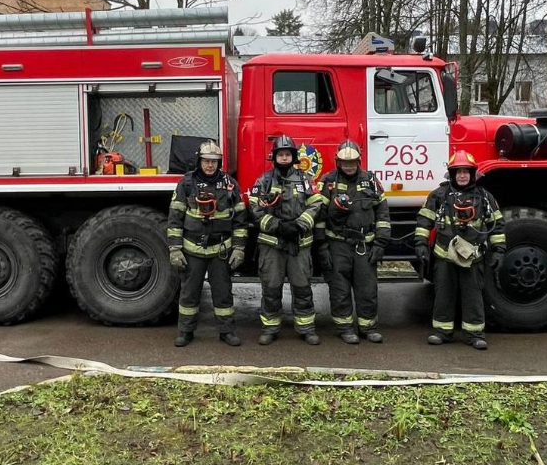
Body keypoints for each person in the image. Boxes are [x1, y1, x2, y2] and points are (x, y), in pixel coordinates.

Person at [414, 150, 506, 350]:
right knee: (444, 294)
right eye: (458, 171)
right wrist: (420, 243)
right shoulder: (439, 195)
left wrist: (499, 249)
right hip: (444, 256)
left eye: (466, 171)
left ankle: (474, 335)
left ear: (472, 174)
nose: (462, 175)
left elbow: (497, 225)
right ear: (452, 174)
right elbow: (424, 220)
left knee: (473, 296)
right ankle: (442, 332)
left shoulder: (485, 197)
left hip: (472, 257)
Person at [167, 140, 248, 347]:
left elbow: (240, 219)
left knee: (223, 294)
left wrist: (239, 248)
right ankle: (185, 331)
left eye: (214, 161)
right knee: (189, 293)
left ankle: (227, 331)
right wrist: (175, 249)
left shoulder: (230, 184)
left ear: (219, 163)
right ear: (199, 161)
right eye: (206, 161)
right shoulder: (186, 184)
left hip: (220, 250)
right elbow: (175, 218)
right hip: (192, 249)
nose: (210, 165)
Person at [249, 135, 323, 345]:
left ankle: (306, 328)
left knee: (302, 287)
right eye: (280, 154)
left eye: (287, 154)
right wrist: (278, 226)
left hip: (299, 244)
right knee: (271, 288)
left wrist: (299, 225)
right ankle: (270, 329)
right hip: (272, 244)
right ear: (274, 157)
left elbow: (316, 204)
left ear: (293, 157)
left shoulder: (305, 180)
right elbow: (254, 208)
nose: (284, 158)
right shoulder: (263, 181)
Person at [315, 140, 391, 344]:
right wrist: (321, 247)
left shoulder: (371, 181)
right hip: (337, 244)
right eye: (344, 162)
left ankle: (368, 327)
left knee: (367, 288)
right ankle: (345, 328)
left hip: (364, 244)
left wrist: (381, 243)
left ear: (359, 161)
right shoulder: (328, 182)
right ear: (338, 162)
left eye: (352, 162)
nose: (348, 166)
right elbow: (319, 217)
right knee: (339, 289)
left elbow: (383, 213)